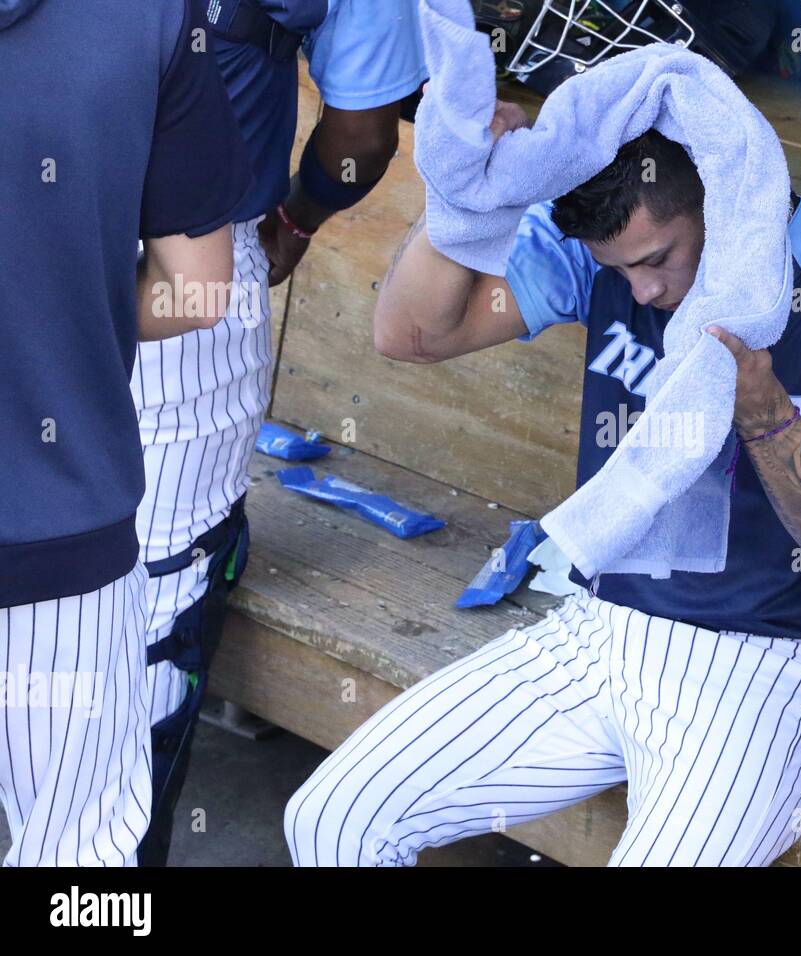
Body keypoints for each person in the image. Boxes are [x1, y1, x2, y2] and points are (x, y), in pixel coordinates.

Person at [284, 114, 801, 865]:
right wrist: (471, 197)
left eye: (660, 258)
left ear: (729, 198)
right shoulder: (610, 248)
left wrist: (764, 413)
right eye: (620, 270)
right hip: (598, 630)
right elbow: (408, 333)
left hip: (771, 668)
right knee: (334, 819)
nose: (646, 289)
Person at [132, 0, 430, 866]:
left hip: (36, 244)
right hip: (195, 275)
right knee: (152, 613)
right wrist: (298, 217)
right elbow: (363, 137)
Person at [0, 0, 250, 865]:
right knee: (85, 867)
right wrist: (65, 318)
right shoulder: (150, 15)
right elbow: (199, 288)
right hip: (63, 540)